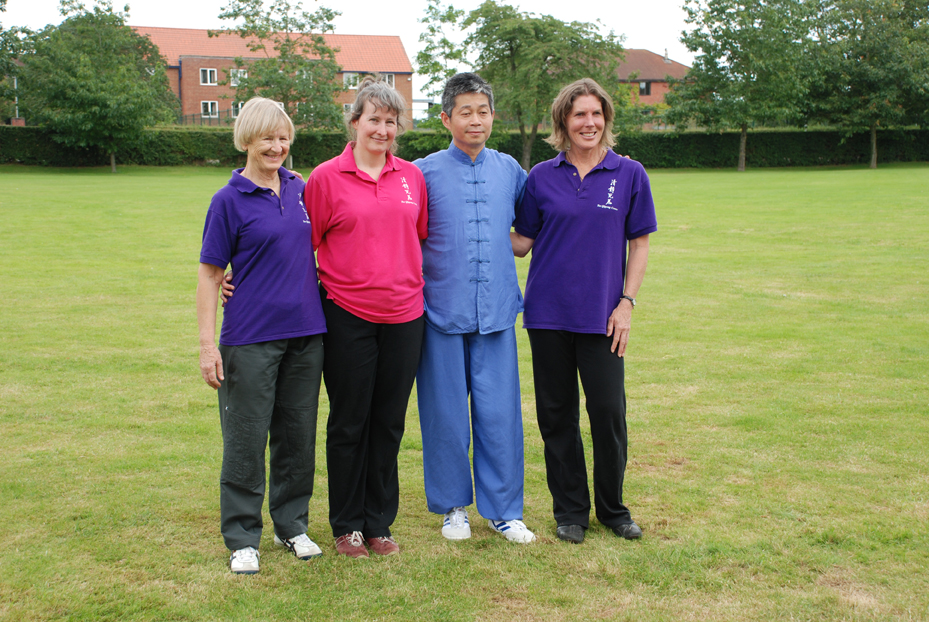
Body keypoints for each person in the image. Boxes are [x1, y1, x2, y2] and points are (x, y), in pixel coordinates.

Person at [511, 78, 657, 544]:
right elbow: (522, 243)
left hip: (603, 316)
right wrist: (471, 220)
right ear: (563, 122)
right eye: (579, 115)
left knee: (608, 412)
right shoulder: (540, 177)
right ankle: (570, 511)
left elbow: (640, 243)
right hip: (547, 314)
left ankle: (613, 510)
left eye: (596, 114)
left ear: (606, 119)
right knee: (556, 416)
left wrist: (627, 304)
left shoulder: (629, 173)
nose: (588, 122)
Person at [196, 97, 327, 575]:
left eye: (283, 137)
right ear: (247, 140)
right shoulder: (227, 200)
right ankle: (242, 536)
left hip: (308, 335)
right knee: (246, 438)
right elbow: (211, 274)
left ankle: (291, 525)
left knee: (297, 437)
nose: (277, 146)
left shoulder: (301, 189)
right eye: (267, 137)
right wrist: (208, 345)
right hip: (250, 338)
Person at [304, 78, 428, 558]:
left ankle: (379, 524)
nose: (382, 129)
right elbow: (303, 247)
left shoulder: (410, 178)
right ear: (354, 123)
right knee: (350, 421)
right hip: (346, 317)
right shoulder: (325, 178)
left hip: (405, 317)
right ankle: (347, 526)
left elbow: (416, 237)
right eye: (373, 119)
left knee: (389, 422)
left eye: (390, 122)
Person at [413, 73, 535, 544]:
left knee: (500, 414)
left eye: (483, 110)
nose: (475, 119)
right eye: (465, 111)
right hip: (440, 311)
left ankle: (505, 510)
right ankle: (452, 509)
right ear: (446, 118)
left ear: (492, 116)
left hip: (498, 312)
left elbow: (540, 219)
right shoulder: (421, 173)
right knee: (444, 414)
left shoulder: (510, 170)